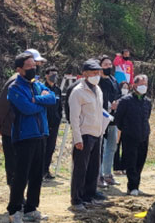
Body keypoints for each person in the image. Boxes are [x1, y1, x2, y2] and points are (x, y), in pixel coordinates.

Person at [7, 51, 60, 223]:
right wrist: (41, 103)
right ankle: (15, 210)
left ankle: (31, 208)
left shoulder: (36, 84)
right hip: (24, 136)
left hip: (41, 133)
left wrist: (36, 100)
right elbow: (26, 108)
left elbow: (52, 98)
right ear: (19, 69)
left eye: (34, 66)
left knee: (37, 174)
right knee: (21, 175)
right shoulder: (15, 87)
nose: (33, 69)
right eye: (29, 66)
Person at [68, 59, 106, 209]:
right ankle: (76, 199)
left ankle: (89, 196)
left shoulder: (98, 89)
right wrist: (77, 138)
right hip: (84, 134)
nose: (96, 75)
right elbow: (74, 117)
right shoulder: (78, 92)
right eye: (93, 72)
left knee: (93, 168)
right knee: (80, 169)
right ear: (84, 73)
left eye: (98, 72)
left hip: (97, 133)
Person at [114, 74, 151, 195]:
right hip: (129, 136)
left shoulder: (147, 102)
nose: (143, 87)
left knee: (140, 161)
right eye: (141, 85)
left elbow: (147, 116)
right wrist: (126, 129)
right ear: (134, 85)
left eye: (145, 85)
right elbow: (118, 119)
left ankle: (136, 185)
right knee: (131, 162)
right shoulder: (126, 101)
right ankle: (132, 186)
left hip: (144, 135)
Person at [98, 55, 121, 187]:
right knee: (99, 148)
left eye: (110, 64)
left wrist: (117, 102)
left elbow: (118, 94)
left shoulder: (113, 79)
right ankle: (98, 175)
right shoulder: (98, 81)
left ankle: (108, 174)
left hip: (113, 119)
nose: (108, 67)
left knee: (112, 147)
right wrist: (107, 105)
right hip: (100, 117)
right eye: (105, 64)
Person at [0, 69, 19, 186]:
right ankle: (14, 195)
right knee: (13, 164)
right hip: (11, 129)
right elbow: (2, 106)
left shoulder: (30, 82)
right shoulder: (15, 81)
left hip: (23, 130)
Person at [41, 66, 63, 180]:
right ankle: (39, 171)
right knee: (42, 149)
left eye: (56, 74)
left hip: (54, 124)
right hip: (43, 124)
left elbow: (60, 107)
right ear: (46, 75)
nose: (54, 76)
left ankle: (46, 170)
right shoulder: (41, 88)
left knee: (50, 148)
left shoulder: (57, 90)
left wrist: (58, 118)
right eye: (51, 74)